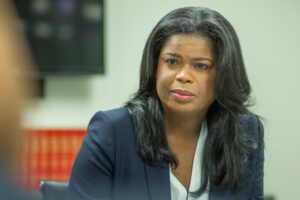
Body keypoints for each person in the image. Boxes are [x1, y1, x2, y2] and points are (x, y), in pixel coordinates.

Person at [68, 7, 264, 200]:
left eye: (201, 66)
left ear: (224, 74)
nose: (183, 76)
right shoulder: (113, 131)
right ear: (155, 66)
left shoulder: (246, 131)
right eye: (172, 62)